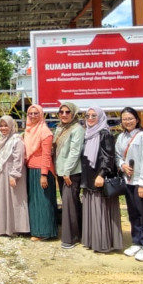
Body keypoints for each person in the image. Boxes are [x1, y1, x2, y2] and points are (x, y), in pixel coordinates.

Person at [116, 107, 143, 262]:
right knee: (133, 213)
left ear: (137, 119)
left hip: (141, 181)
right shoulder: (121, 137)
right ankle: (136, 242)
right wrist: (122, 165)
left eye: (130, 118)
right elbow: (118, 155)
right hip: (128, 180)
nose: (127, 122)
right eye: (125, 119)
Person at [80, 107, 122, 253]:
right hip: (88, 177)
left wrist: (102, 174)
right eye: (88, 115)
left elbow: (109, 157)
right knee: (91, 208)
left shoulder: (104, 133)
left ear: (101, 117)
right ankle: (92, 240)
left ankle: (103, 242)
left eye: (94, 115)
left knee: (101, 209)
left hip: (99, 177)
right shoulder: (87, 133)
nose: (90, 118)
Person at [54, 102, 85, 250]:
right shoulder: (60, 128)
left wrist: (67, 171)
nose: (64, 114)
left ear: (73, 114)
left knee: (69, 204)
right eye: (61, 112)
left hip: (71, 173)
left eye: (67, 112)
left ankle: (70, 238)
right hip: (61, 171)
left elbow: (75, 152)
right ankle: (79, 232)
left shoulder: (77, 129)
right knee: (71, 203)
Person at [0, 115, 29, 237]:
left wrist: (14, 175)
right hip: (2, 173)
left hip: (12, 173)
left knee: (15, 199)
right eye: (1, 126)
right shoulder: (1, 140)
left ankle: (17, 228)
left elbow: (18, 159)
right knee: (3, 198)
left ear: (12, 126)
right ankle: (4, 228)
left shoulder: (16, 140)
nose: (3, 128)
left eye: (6, 125)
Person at [24, 105, 57, 241]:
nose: (32, 116)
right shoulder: (29, 130)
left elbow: (46, 155)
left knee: (43, 202)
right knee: (34, 202)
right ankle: (36, 229)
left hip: (41, 171)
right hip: (31, 170)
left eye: (36, 113)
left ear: (41, 114)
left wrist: (43, 175)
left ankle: (45, 231)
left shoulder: (45, 132)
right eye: (30, 113)